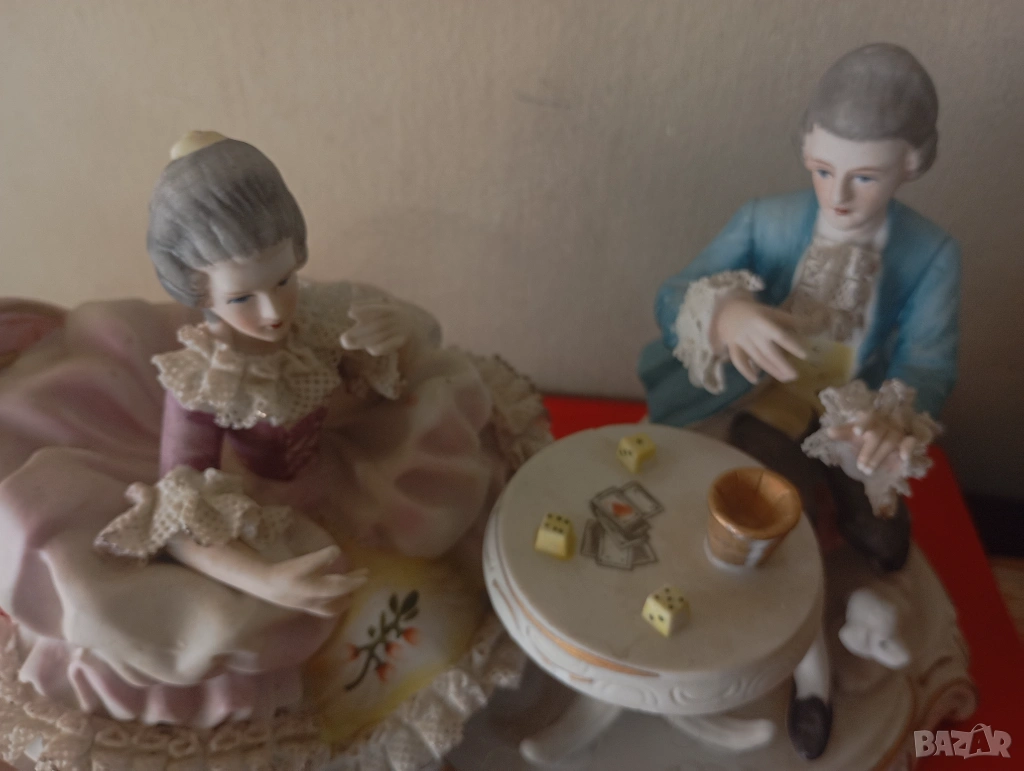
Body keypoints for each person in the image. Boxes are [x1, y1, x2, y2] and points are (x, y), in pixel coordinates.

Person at [0, 131, 548, 749]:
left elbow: (376, 371)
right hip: (259, 508)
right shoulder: (205, 380)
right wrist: (264, 580)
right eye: (242, 297)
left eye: (284, 279)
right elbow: (181, 517)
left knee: (445, 471)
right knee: (266, 624)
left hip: (342, 463)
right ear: (200, 293)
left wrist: (394, 340)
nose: (273, 311)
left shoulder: (316, 317)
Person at [638, 43, 958, 759]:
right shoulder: (766, 219)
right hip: (768, 403)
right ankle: (812, 678)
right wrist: (725, 315)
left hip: (856, 414)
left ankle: (869, 593)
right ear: (807, 147)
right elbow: (672, 295)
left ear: (911, 164)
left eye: (864, 176)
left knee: (884, 540)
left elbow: (930, 359)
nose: (837, 196)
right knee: (782, 523)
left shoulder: (932, 252)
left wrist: (891, 418)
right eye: (822, 169)